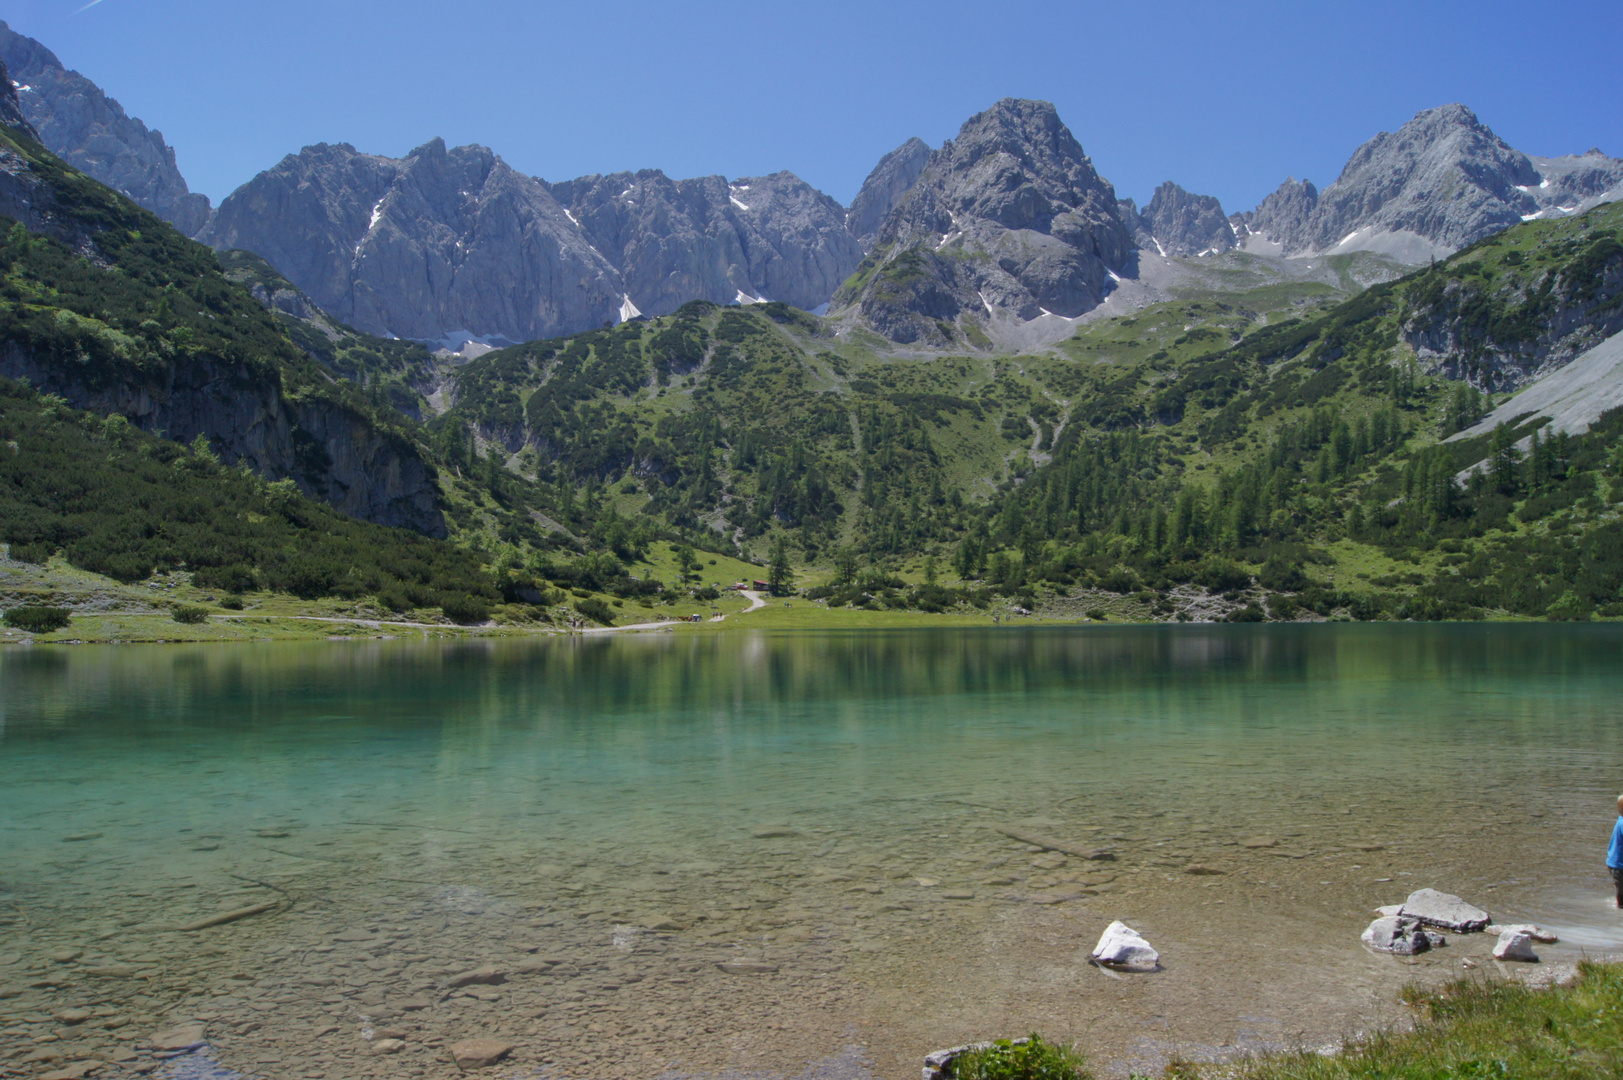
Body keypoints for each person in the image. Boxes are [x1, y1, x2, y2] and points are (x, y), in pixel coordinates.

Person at [1610, 794, 1623, 908]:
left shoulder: (1621, 819)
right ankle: (1619, 907)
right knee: (1621, 892)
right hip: (1619, 865)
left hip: (1615, 863)